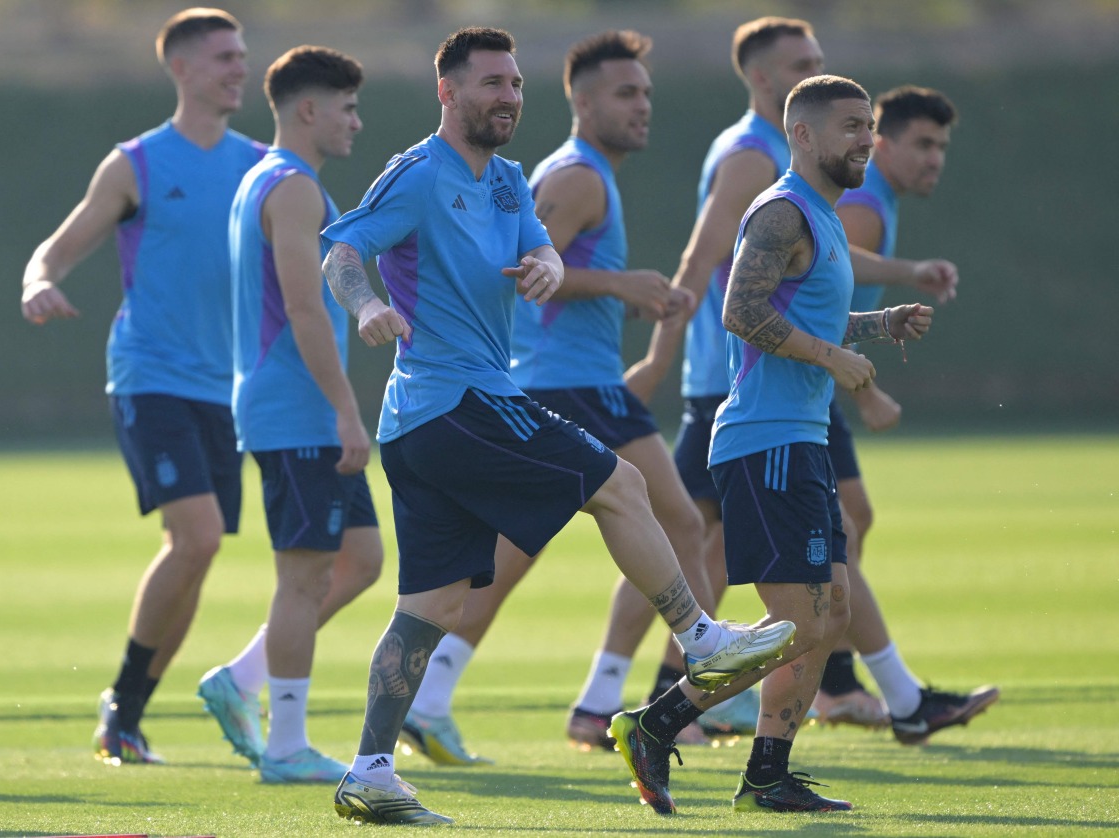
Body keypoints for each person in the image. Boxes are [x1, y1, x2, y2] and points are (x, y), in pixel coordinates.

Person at [319, 27, 797, 826]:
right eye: (490, 84)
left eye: (514, 84)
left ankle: (370, 770)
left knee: (430, 609)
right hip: (454, 400)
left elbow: (541, 252)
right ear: (447, 92)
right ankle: (701, 640)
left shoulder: (510, 181)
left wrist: (545, 266)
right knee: (622, 485)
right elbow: (341, 251)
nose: (508, 96)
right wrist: (367, 304)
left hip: (430, 422)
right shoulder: (417, 172)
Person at [609, 74, 935, 814]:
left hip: (801, 440)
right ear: (803, 135)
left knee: (830, 613)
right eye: (851, 126)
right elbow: (741, 310)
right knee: (803, 619)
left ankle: (765, 774)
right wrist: (832, 359)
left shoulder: (823, 216)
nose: (866, 139)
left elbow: (807, 315)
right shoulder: (783, 210)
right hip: (766, 443)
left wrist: (879, 325)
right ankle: (656, 724)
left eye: (869, 126)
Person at [396, 29, 710, 764]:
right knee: (679, 525)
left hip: (570, 378)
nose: (642, 106)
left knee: (515, 553)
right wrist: (621, 285)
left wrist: (622, 298)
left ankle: (441, 697)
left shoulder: (580, 174)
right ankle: (646, 698)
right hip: (571, 382)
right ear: (583, 103)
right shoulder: (577, 177)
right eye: (626, 94)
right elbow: (520, 270)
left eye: (646, 93)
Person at [19, 8, 265, 765]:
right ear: (181, 69)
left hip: (227, 391)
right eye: (223, 57)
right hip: (151, 375)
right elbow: (57, 249)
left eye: (242, 55)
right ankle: (122, 708)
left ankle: (125, 715)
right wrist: (38, 281)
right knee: (195, 537)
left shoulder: (263, 165)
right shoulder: (137, 163)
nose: (239, 68)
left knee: (198, 551)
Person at [195, 44, 385, 785]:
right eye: (348, 108)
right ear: (309, 109)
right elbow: (306, 309)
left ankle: (240, 679)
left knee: (361, 559)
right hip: (297, 411)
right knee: (303, 578)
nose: (356, 122)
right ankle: (286, 746)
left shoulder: (265, 179)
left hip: (288, 406)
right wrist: (345, 411)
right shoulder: (296, 188)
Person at [814, 85, 999, 737]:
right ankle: (682, 691)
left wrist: (909, 272)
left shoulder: (874, 201)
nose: (934, 158)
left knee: (848, 524)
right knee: (806, 542)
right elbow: (819, 304)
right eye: (922, 144)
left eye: (941, 146)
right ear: (883, 145)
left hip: (810, 389)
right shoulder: (863, 205)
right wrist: (867, 392)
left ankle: (837, 682)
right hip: (789, 391)